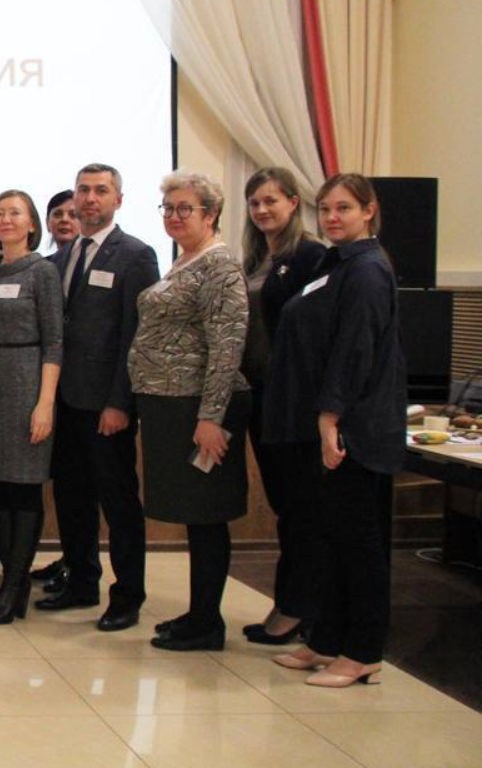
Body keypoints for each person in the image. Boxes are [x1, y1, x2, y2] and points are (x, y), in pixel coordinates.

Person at [267, 174, 406, 688]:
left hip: (353, 425)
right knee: (328, 537)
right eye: (325, 209)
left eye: (344, 208)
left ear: (369, 211)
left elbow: (355, 349)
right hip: (322, 419)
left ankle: (363, 651)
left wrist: (330, 418)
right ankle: (326, 640)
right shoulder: (336, 263)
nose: (331, 218)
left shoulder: (368, 269)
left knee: (357, 543)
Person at [130, 173, 251, 651]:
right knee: (193, 515)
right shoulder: (185, 260)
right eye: (168, 208)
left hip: (197, 409)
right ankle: (199, 612)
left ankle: (207, 623)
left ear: (210, 213)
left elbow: (227, 345)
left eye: (185, 208)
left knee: (206, 514)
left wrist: (211, 418)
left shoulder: (219, 266)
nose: (174, 216)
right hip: (170, 407)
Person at [43, 163, 160, 632]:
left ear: (118, 199)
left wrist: (120, 403)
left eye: (101, 190)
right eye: (84, 190)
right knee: (71, 496)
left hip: (105, 405)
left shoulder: (136, 255)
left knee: (118, 502)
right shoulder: (61, 258)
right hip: (64, 401)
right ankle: (81, 581)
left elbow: (137, 335)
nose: (90, 198)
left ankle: (127, 595)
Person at [0, 192, 63, 622]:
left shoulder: (43, 271)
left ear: (32, 223)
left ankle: (15, 585)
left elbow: (54, 341)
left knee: (23, 489)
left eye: (15, 213)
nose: (6, 220)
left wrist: (45, 404)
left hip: (26, 386)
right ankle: (10, 583)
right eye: (0, 213)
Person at [239, 167, 327, 645]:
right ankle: (292, 602)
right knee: (284, 504)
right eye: (255, 202)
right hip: (261, 397)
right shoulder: (257, 259)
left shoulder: (311, 256)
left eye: (271, 200)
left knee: (301, 508)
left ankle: (300, 608)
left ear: (294, 202)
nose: (262, 210)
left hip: (294, 402)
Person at [32, 187, 82, 589]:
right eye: (57, 214)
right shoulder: (44, 266)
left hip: (86, 392)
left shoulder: (120, 256)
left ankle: (82, 569)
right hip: (47, 389)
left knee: (86, 487)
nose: (65, 220)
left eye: (72, 213)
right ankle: (69, 558)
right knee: (63, 485)